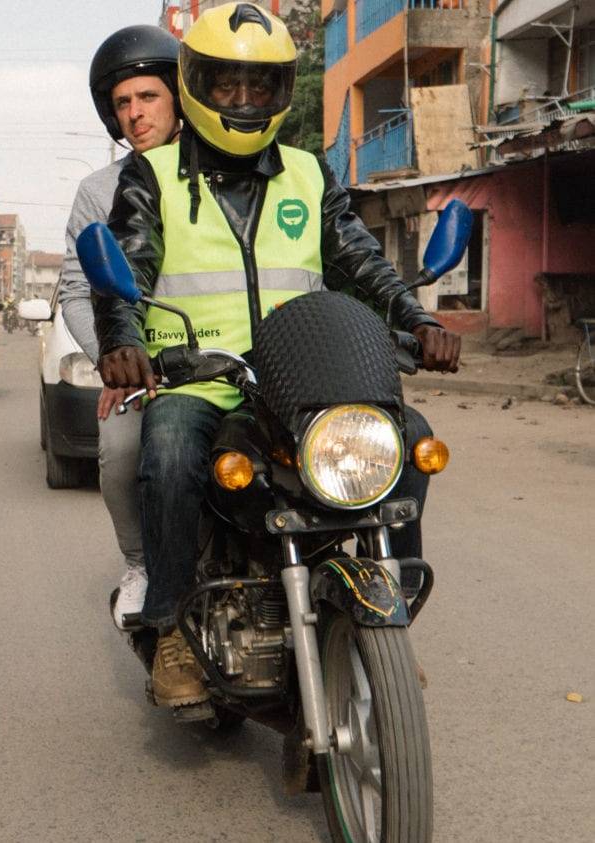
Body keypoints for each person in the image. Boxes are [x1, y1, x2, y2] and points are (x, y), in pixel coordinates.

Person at [95, 2, 460, 708]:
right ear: (196, 85)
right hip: (200, 378)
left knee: (408, 439)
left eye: (258, 86)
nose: (242, 101)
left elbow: (359, 259)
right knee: (167, 449)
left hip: (304, 372)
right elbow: (128, 272)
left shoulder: (307, 170)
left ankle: (385, 616)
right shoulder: (152, 175)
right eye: (226, 85)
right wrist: (123, 342)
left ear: (280, 92)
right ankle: (169, 624)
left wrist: (417, 318)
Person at [59, 23, 183, 628]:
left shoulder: (218, 173)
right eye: (123, 104)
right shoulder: (98, 190)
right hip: (143, 370)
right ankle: (139, 563)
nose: (135, 113)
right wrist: (115, 356)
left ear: (180, 96)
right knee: (121, 447)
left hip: (229, 361)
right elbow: (76, 290)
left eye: (148, 97)